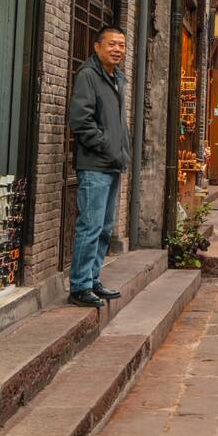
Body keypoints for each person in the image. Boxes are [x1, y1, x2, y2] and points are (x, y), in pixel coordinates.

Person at [67, 26, 129, 307]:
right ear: (97, 47)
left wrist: (120, 151)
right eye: (112, 44)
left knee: (105, 227)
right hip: (94, 164)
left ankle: (92, 279)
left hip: (112, 163)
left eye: (121, 45)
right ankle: (79, 286)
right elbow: (81, 121)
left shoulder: (117, 78)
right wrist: (106, 145)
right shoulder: (89, 75)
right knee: (90, 226)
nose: (117, 49)